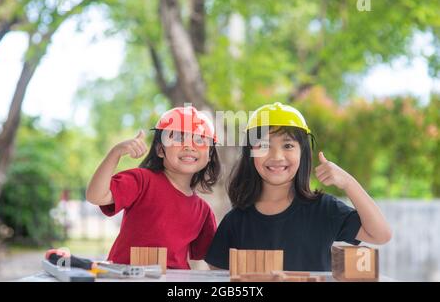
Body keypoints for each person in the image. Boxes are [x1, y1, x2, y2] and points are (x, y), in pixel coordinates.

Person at [205, 102, 392, 271]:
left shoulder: (325, 210)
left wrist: (348, 182)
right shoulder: (236, 221)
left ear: (303, 153)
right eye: (264, 145)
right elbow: (219, 277)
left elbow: (380, 235)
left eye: (288, 145)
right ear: (250, 154)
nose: (277, 156)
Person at [86, 106, 220, 269]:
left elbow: (214, 263)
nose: (189, 146)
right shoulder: (142, 181)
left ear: (210, 154)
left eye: (199, 140)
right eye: (178, 138)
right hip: (124, 278)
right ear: (159, 149)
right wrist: (116, 152)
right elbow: (95, 196)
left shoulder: (203, 211)